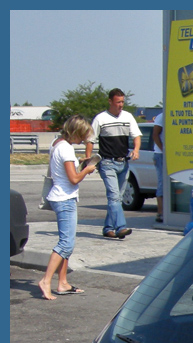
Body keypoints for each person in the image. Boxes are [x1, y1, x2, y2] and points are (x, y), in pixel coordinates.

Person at [37, 115, 96, 300]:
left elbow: (64, 172)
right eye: (83, 135)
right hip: (65, 199)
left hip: (58, 196)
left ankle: (62, 283)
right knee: (66, 243)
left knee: (67, 242)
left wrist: (79, 164)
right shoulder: (67, 149)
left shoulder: (57, 143)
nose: (84, 139)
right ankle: (46, 281)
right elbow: (74, 179)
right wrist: (88, 169)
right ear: (76, 132)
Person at [85, 88, 141, 240]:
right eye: (118, 102)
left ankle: (108, 227)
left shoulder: (128, 117)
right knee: (114, 197)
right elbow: (90, 140)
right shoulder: (100, 119)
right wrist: (88, 159)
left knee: (118, 197)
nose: (120, 105)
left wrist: (136, 150)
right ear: (110, 101)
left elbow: (136, 135)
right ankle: (120, 227)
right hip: (107, 162)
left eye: (122, 102)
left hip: (123, 163)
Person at [152, 112, 164, 224]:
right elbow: (155, 135)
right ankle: (160, 213)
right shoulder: (161, 116)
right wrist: (163, 150)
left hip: (173, 155)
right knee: (162, 182)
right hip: (160, 155)